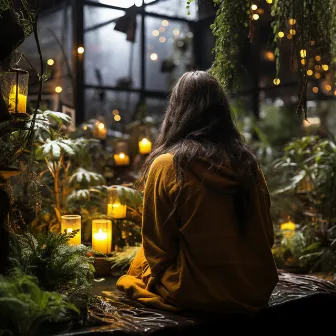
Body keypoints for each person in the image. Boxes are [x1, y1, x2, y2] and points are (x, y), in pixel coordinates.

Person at [117, 71, 278, 315]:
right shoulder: (248, 165)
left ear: (176, 113)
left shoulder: (168, 165)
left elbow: (157, 249)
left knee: (138, 263)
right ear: (223, 112)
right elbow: (266, 235)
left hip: (196, 291)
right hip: (255, 289)